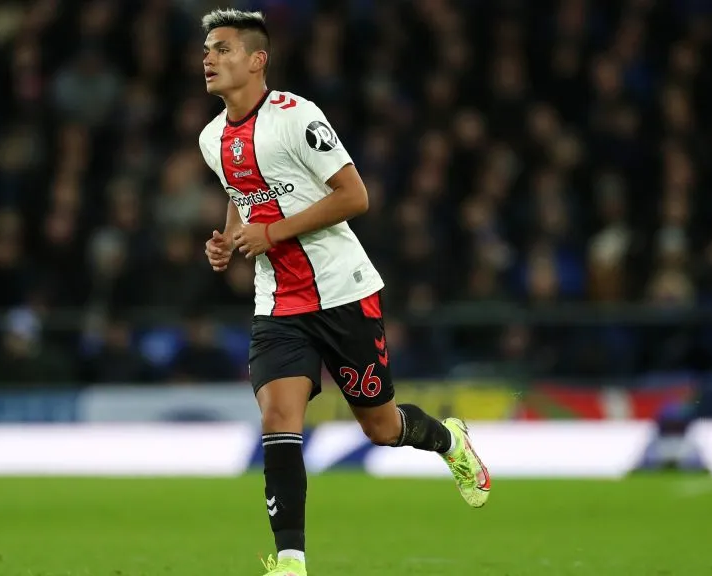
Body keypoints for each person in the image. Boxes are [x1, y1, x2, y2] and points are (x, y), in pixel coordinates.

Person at [196, 9, 491, 576]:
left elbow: (355, 196)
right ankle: (290, 562)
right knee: (279, 416)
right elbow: (243, 195)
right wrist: (230, 239)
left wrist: (272, 231)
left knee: (380, 428)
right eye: (207, 49)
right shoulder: (212, 138)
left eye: (223, 48)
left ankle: (448, 441)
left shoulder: (297, 117)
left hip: (342, 293)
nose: (208, 58)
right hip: (277, 304)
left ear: (258, 60)